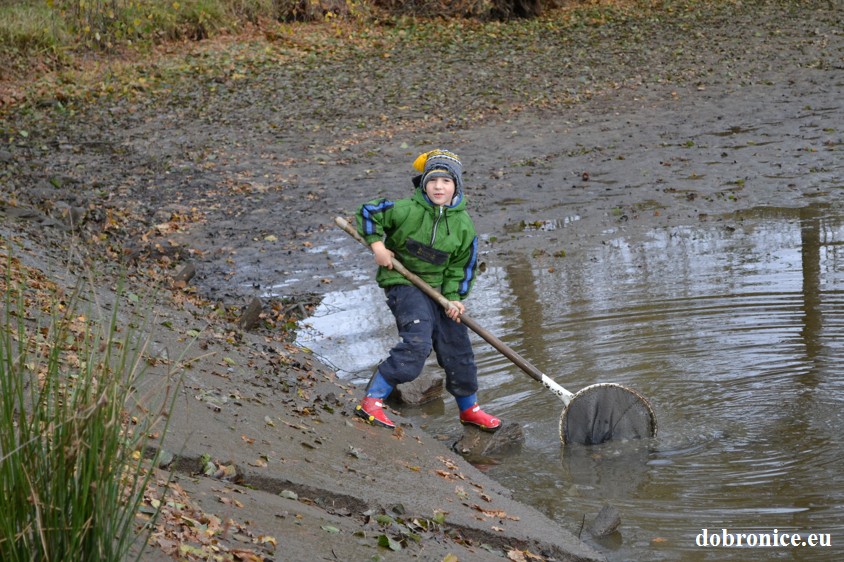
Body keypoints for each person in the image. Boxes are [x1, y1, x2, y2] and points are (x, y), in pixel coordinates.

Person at [354, 149, 501, 432]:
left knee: (458, 348)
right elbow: (368, 211)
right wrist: (377, 246)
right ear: (423, 183)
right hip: (404, 284)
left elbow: (462, 266)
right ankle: (372, 401)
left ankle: (469, 408)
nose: (438, 187)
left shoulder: (463, 226)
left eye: (446, 181)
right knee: (417, 343)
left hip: (440, 292)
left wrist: (455, 298)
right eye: (432, 181)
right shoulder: (405, 210)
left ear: (456, 186)